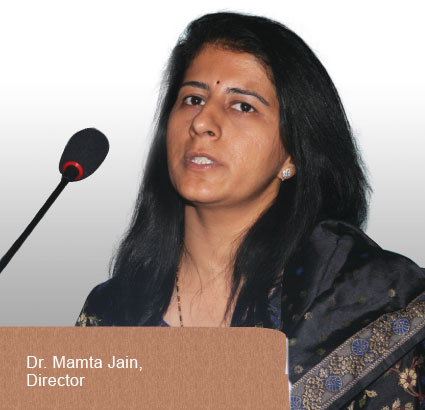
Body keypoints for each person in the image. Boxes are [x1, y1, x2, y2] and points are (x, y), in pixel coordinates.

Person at [76, 12, 425, 410]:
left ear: (292, 153)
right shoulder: (112, 311)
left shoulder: (367, 306)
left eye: (242, 106)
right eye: (192, 99)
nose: (202, 122)